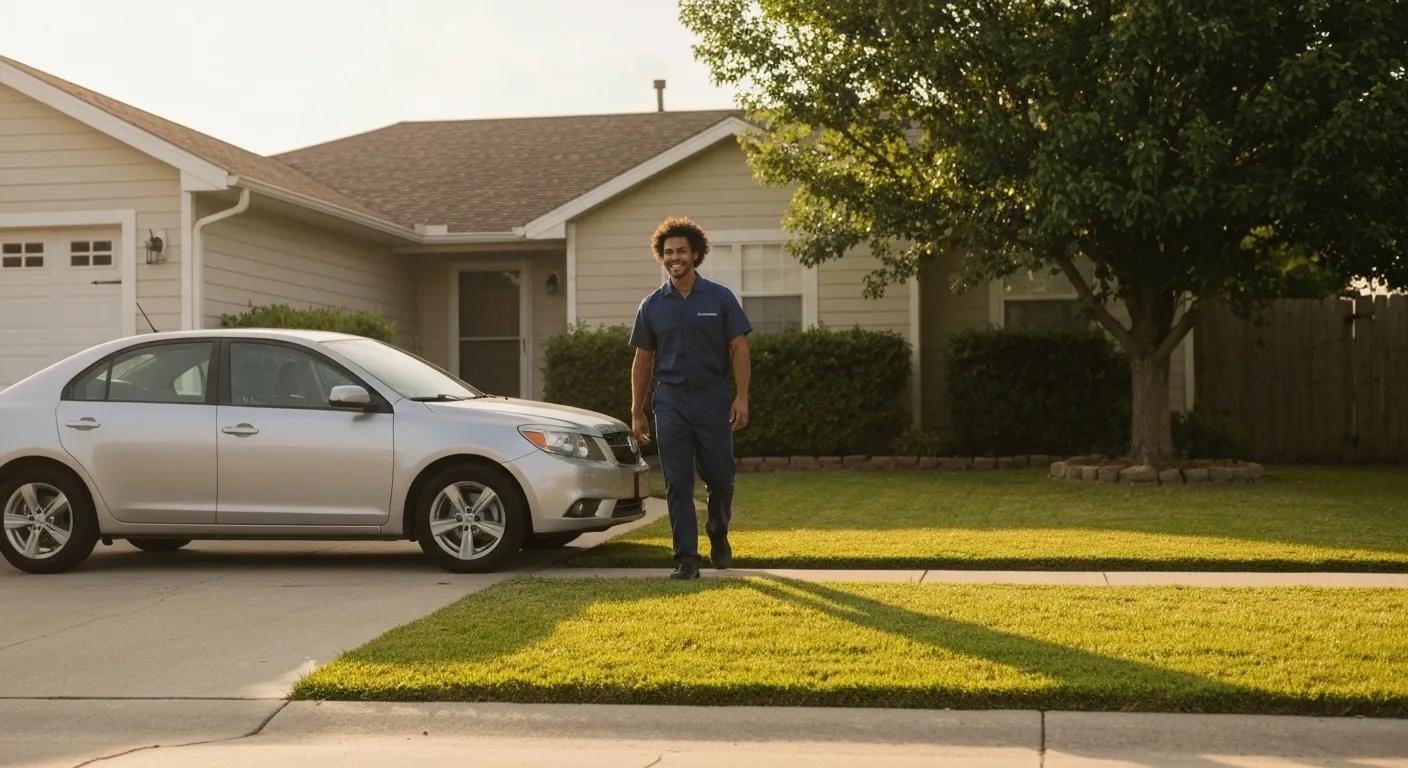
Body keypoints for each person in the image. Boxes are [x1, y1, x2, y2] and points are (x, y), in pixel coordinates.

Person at [629, 216, 752, 580]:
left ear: (695, 254)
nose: (674, 257)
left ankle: (717, 527)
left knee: (721, 476)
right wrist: (636, 410)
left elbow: (739, 347)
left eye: (681, 251)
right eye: (668, 252)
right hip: (671, 403)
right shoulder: (652, 306)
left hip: (713, 398)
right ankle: (686, 557)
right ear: (661, 257)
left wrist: (741, 397)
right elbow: (643, 359)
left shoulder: (720, 297)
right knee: (677, 481)